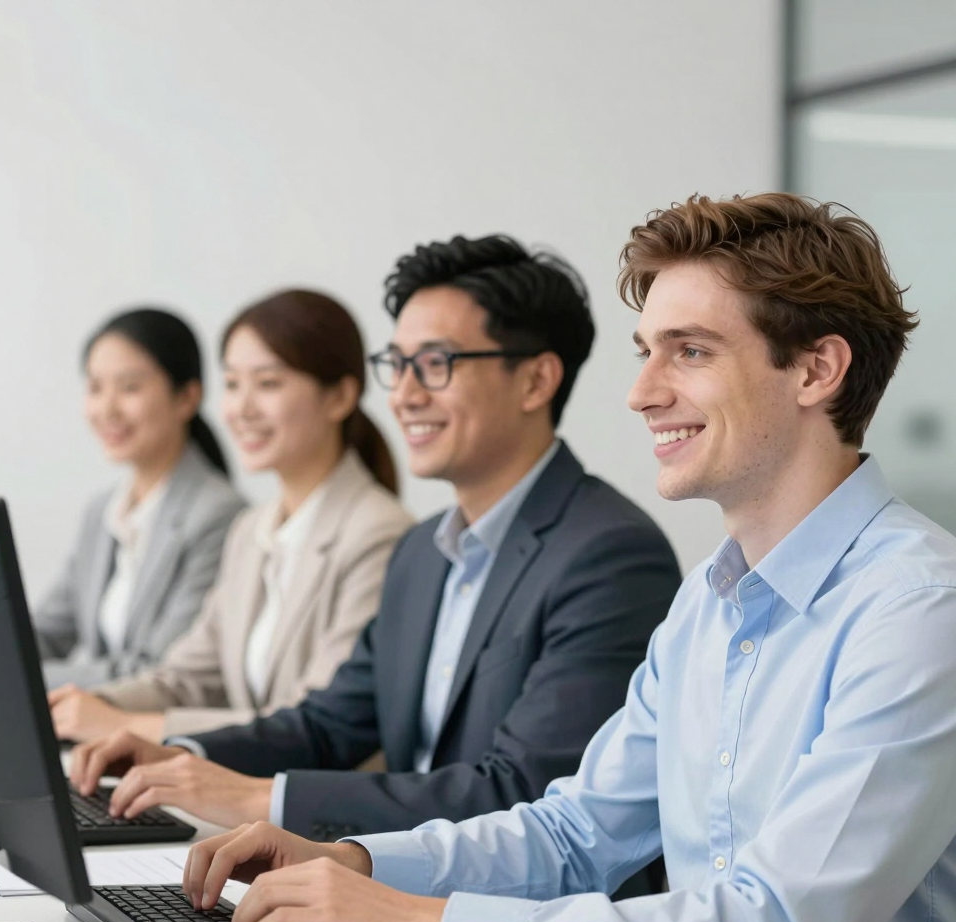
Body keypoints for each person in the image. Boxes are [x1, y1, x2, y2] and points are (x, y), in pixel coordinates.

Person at [176, 195, 956, 922]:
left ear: (815, 370)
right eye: (646, 352)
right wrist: (359, 863)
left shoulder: (917, 614)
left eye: (689, 351)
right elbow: (574, 835)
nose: (641, 392)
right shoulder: (708, 602)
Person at [70, 234, 681, 853]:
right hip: (393, 885)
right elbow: (330, 724)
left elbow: (522, 792)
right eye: (398, 364)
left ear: (535, 381)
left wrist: (258, 800)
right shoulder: (422, 552)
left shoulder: (609, 556)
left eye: (437, 364)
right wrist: (180, 755)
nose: (404, 395)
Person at [49, 290, 413, 742]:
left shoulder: (379, 534)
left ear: (339, 397)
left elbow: (314, 723)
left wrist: (129, 726)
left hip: (305, 805)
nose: (241, 409)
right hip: (229, 793)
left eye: (268, 384)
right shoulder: (252, 530)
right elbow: (187, 678)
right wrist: (88, 706)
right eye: (234, 384)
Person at [34, 309, 246, 690]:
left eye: (129, 388)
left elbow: (159, 671)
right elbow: (47, 633)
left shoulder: (219, 516)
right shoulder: (102, 512)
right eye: (95, 388)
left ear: (187, 398)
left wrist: (25, 679)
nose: (107, 408)